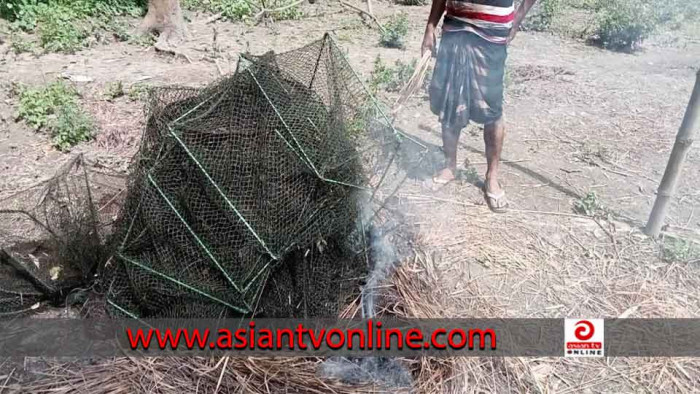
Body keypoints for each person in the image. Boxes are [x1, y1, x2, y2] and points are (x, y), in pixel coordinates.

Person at [421, 0, 537, 212]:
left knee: (492, 108)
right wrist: (430, 26)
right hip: (455, 27)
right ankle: (450, 166)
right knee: (451, 100)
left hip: (492, 32)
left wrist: (518, 18)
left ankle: (492, 177)